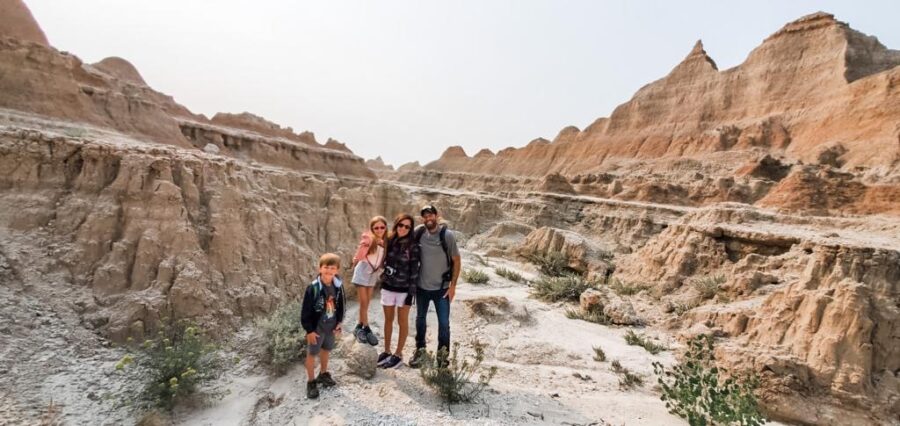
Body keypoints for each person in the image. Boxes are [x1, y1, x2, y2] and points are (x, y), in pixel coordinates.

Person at [409, 204, 461, 368]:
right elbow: (402, 241)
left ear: (437, 216)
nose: (428, 218)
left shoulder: (447, 235)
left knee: (444, 324)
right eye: (425, 216)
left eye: (431, 215)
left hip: (442, 289)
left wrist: (453, 287)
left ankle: (442, 359)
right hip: (422, 288)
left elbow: (456, 260)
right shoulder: (419, 232)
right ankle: (420, 351)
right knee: (420, 320)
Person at [377, 213, 420, 369]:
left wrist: (411, 294)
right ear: (396, 225)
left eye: (407, 226)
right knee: (388, 320)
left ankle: (398, 354)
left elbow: (415, 271)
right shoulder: (389, 240)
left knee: (402, 322)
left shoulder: (413, 246)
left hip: (404, 290)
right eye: (401, 225)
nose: (403, 228)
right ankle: (387, 351)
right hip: (388, 286)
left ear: (411, 229)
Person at [300, 253, 346, 399]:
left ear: (337, 270)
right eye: (326, 267)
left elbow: (342, 305)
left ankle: (323, 373)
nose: (329, 271)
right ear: (320, 268)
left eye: (332, 268)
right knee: (312, 353)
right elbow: (305, 311)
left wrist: (339, 322)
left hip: (331, 325)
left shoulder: (338, 286)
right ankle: (311, 381)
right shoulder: (313, 288)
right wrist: (309, 330)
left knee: (326, 349)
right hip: (317, 327)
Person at [350, 216, 387, 346]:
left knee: (366, 304)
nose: (379, 230)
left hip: (373, 274)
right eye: (376, 227)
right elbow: (360, 254)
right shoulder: (369, 238)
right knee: (364, 303)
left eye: (382, 227)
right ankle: (367, 328)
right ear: (372, 229)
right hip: (362, 272)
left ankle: (359, 327)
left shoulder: (385, 241)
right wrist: (369, 243)